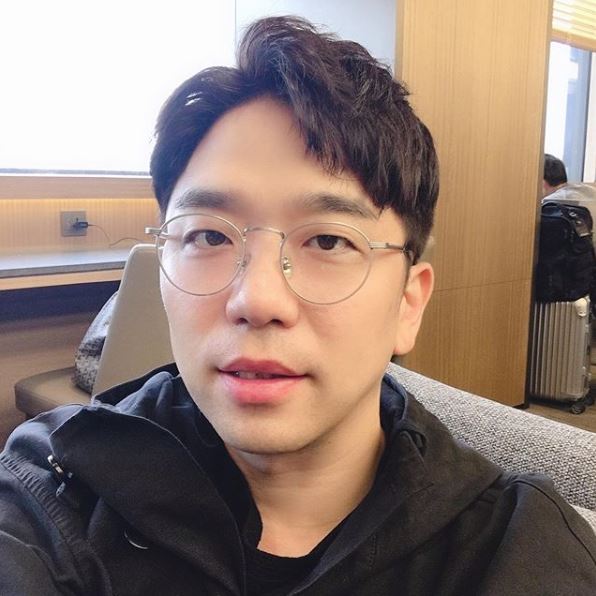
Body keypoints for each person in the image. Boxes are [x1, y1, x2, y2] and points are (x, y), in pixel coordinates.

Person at [1, 16, 595, 596]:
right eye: (208, 235)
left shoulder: (516, 549)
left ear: (408, 303)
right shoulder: (53, 486)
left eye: (329, 241)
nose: (257, 300)